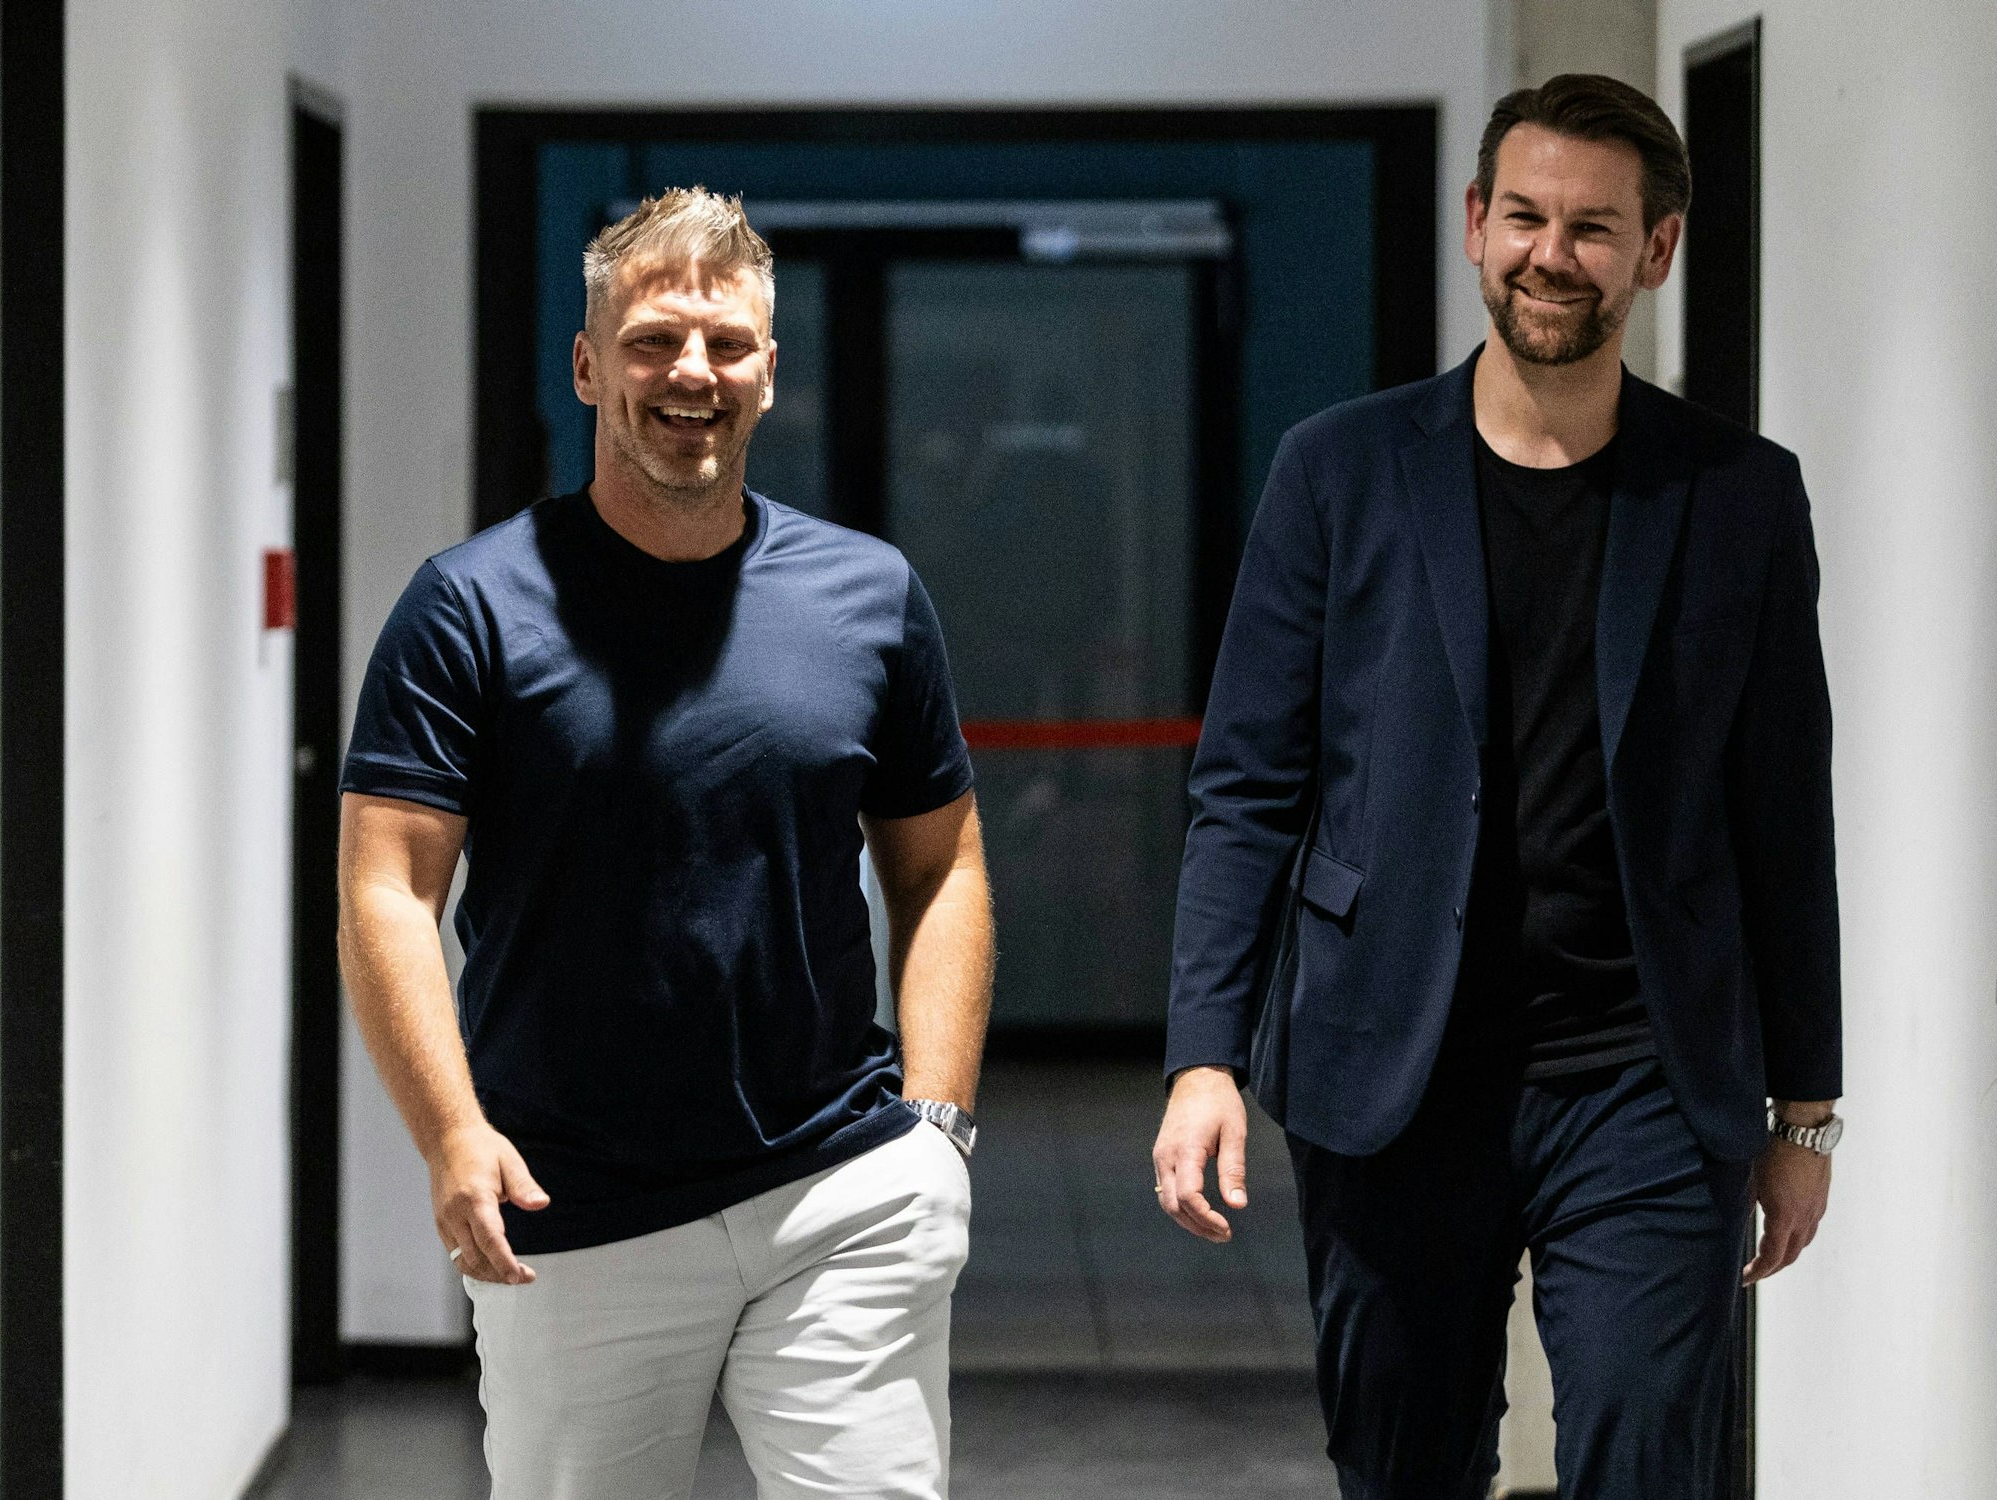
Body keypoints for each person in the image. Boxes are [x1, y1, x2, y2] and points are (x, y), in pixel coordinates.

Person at [1153, 75, 1842, 1499]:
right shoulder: (1338, 471)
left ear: (1656, 250)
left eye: (1593, 227)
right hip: (1390, 1071)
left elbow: (1784, 817)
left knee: (1646, 1458)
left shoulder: (1739, 496)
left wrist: (1806, 1113)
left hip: (1647, 1080)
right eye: (1525, 216)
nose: (1551, 254)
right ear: (1475, 224)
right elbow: (1247, 789)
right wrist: (1203, 1054)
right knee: (1403, 1466)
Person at [338, 187, 993, 1500]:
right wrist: (450, 1133)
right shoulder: (470, 605)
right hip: (573, 1210)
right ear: (590, 366)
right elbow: (388, 888)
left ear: (767, 371)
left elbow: (943, 868)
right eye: (652, 342)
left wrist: (937, 1126)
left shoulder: (868, 595)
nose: (693, 372)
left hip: (843, 1189)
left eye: (726, 344)